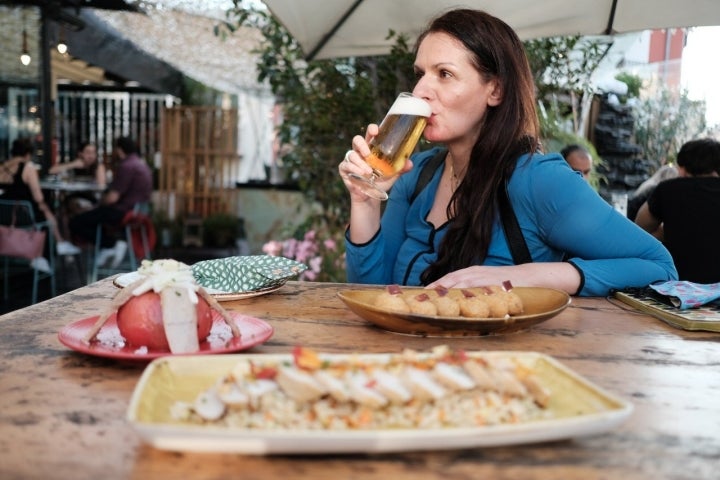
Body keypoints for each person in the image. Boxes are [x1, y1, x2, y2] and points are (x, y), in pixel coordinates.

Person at [338, 9, 677, 297]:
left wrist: (526, 277)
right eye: (420, 74)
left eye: (444, 74)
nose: (421, 90)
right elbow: (372, 293)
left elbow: (658, 266)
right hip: (416, 367)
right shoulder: (418, 173)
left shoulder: (538, 180)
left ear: (495, 90)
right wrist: (365, 201)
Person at [635, 138, 720, 284]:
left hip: (679, 287)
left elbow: (639, 229)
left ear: (682, 168)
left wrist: (669, 230)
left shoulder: (668, 189)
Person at [69, 136, 153, 267]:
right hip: (138, 211)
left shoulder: (127, 166)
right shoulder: (140, 164)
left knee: (75, 222)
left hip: (124, 212)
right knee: (96, 218)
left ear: (120, 150)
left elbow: (112, 198)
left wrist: (97, 205)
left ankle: (110, 245)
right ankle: (109, 246)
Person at [0, 138, 81, 272]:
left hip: (4, 216)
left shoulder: (2, 167)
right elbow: (38, 197)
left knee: (43, 212)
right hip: (24, 216)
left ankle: (53, 249)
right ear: (28, 154)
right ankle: (50, 251)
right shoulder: (28, 167)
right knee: (44, 210)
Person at [49, 141, 107, 215]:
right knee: (63, 206)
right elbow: (51, 171)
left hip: (92, 198)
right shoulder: (75, 165)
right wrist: (73, 164)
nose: (91, 156)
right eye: (88, 153)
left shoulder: (98, 167)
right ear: (81, 154)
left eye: (93, 153)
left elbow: (101, 187)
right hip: (75, 196)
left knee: (71, 205)